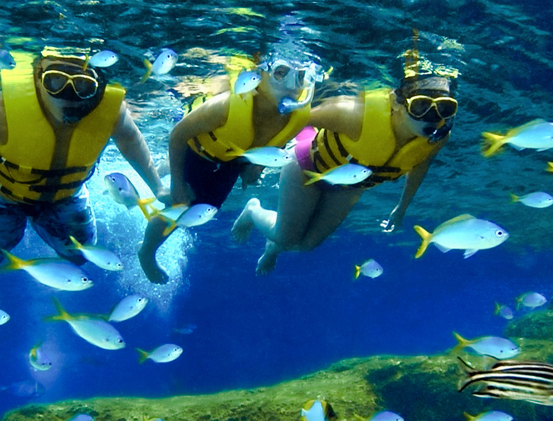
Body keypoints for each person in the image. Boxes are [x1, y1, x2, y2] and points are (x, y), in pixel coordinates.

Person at [0, 50, 165, 310]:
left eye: (83, 85)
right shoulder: (0, 109)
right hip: (1, 194)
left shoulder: (113, 113)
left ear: (99, 85)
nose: (69, 95)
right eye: (55, 81)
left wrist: (158, 186)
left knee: (81, 254)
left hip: (66, 195)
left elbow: (131, 140)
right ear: (38, 77)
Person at [231, 70, 457, 274]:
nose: (433, 118)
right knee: (287, 238)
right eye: (421, 106)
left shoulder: (437, 139)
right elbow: (294, 119)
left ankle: (272, 248)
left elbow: (420, 166)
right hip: (306, 167)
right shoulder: (354, 116)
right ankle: (252, 210)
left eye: (444, 108)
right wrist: (257, 162)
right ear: (396, 102)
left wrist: (401, 208)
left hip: (349, 186)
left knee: (307, 245)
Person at [137, 52, 323, 284]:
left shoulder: (296, 116)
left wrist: (255, 169)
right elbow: (177, 136)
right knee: (182, 207)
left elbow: (275, 145)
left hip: (231, 160)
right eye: (280, 73)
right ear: (260, 75)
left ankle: (167, 170)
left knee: (208, 207)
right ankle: (146, 252)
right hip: (198, 152)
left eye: (301, 77)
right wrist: (177, 186)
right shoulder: (225, 106)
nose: (291, 85)